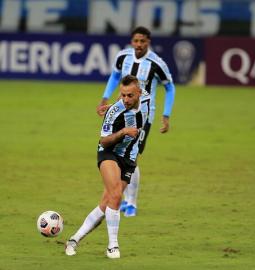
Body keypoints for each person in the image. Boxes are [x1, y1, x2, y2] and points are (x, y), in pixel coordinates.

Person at [65, 75, 149, 259]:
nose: (125, 100)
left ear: (139, 94)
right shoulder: (115, 112)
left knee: (106, 204)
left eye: (130, 96)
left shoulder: (147, 100)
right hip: (109, 152)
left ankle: (74, 240)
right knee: (117, 195)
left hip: (129, 158)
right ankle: (113, 246)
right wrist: (123, 131)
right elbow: (103, 140)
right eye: (123, 95)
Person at [96, 26, 176, 216]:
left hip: (143, 117)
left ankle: (131, 202)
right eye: (136, 41)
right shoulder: (123, 57)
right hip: (121, 113)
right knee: (118, 152)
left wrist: (166, 115)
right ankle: (121, 197)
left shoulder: (157, 63)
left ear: (149, 41)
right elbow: (115, 75)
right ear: (132, 41)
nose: (139, 44)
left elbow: (169, 87)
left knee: (133, 155)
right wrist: (105, 98)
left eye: (142, 41)